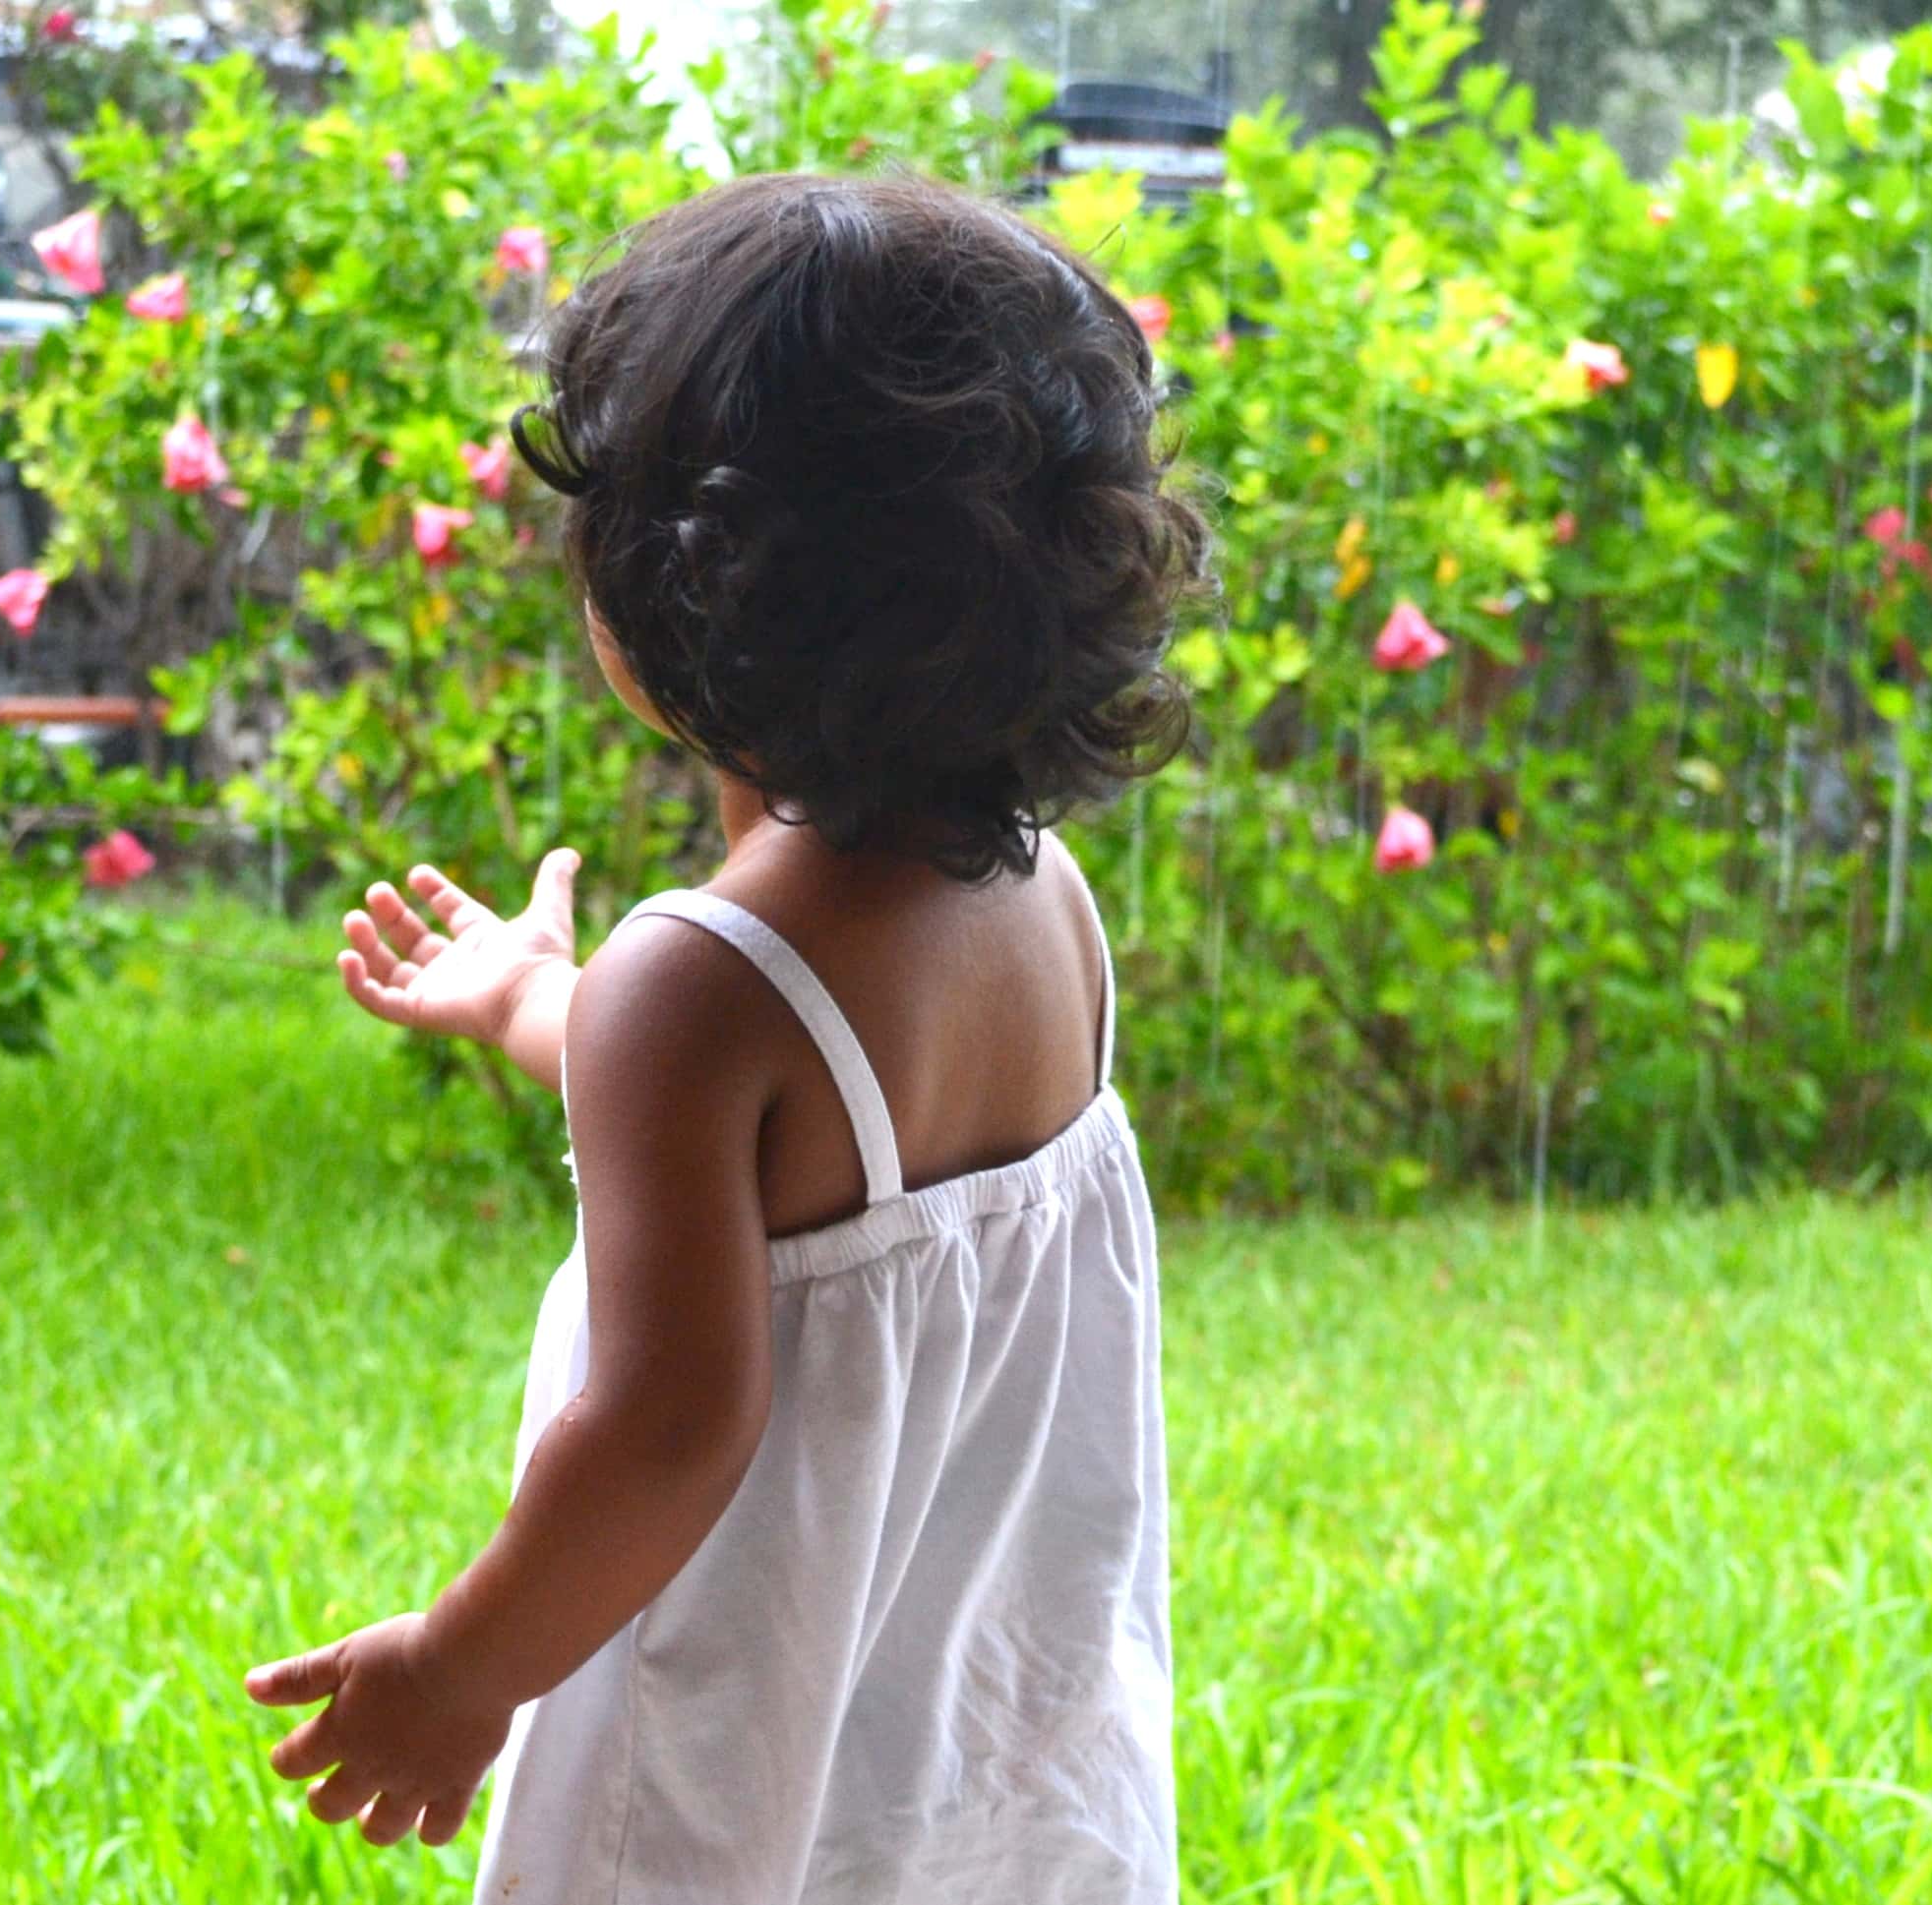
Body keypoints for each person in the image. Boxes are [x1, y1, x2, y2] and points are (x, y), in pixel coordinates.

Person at [243, 170, 1210, 1903]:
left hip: (752, 1779)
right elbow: (808, 1150)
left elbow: (669, 1427)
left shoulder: (695, 989)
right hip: (990, 1756)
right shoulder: (1040, 898)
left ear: (685, 590)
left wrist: (463, 1670)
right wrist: (534, 997)